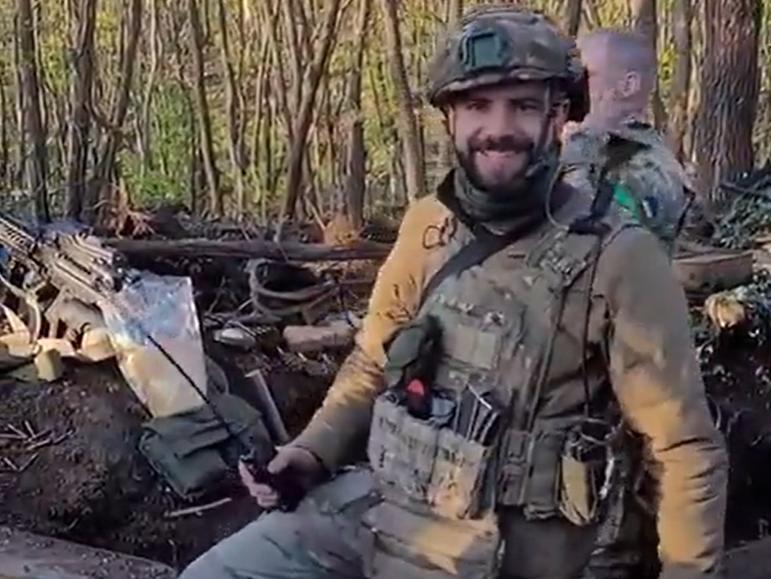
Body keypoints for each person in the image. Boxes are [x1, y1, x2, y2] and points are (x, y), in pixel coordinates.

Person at [180, 7, 727, 579]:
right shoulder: (429, 225)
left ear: (559, 115)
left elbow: (684, 449)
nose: (499, 127)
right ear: (449, 118)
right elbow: (373, 364)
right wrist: (310, 454)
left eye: (523, 105)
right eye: (477, 106)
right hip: (386, 511)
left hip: (503, 549)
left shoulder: (619, 256)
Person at [561, 29, 701, 254]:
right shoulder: (595, 150)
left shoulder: (643, 166)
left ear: (628, 86)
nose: (574, 89)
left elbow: (582, 243)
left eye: (586, 76)